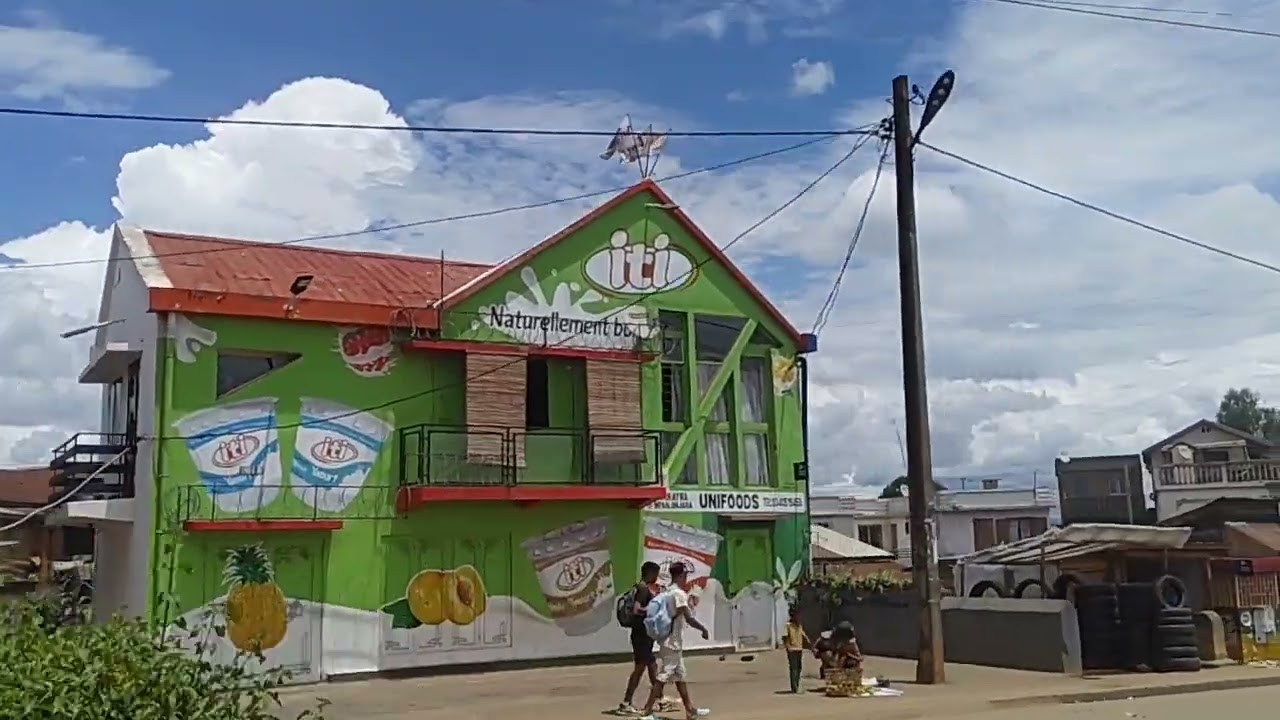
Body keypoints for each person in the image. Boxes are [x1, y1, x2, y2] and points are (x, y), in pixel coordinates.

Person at [638, 562, 710, 720]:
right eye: (685, 576)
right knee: (663, 677)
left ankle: (690, 710)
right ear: (681, 575)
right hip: (672, 642)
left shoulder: (668, 592)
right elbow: (688, 618)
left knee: (680, 676)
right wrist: (703, 629)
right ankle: (647, 711)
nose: (686, 579)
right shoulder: (678, 594)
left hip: (670, 640)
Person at [619, 561, 661, 715]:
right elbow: (637, 609)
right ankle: (626, 702)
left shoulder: (638, 587)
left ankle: (658, 698)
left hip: (642, 634)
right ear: (650, 573)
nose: (656, 577)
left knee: (648, 666)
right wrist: (652, 609)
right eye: (655, 574)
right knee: (643, 667)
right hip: (641, 634)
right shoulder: (643, 589)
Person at [782, 607, 811, 693]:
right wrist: (788, 647)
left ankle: (797, 685)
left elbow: (804, 637)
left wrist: (810, 645)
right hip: (792, 649)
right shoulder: (788, 626)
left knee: (799, 667)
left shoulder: (799, 626)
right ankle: (794, 687)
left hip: (799, 648)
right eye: (798, 615)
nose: (799, 617)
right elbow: (785, 637)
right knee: (794, 668)